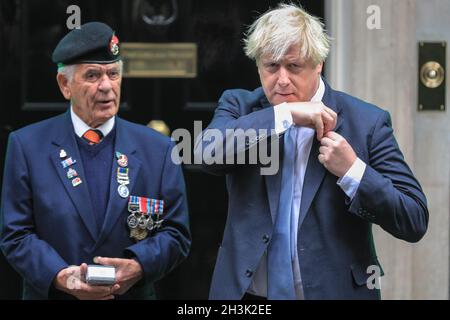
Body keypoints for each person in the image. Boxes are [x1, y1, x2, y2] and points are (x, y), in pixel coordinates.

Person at [195, 4, 428, 300]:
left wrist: (354, 171)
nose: (281, 79)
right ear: (258, 65)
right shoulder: (240, 106)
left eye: (293, 67)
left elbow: (414, 218)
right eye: (271, 66)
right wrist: (286, 114)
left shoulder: (366, 122)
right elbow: (206, 154)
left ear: (319, 63)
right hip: (248, 297)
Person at [0, 22, 191, 300]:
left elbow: (176, 234)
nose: (106, 86)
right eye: (92, 75)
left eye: (113, 74)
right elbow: (15, 234)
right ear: (65, 85)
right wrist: (60, 275)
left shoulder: (158, 149)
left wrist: (138, 265)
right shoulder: (28, 146)